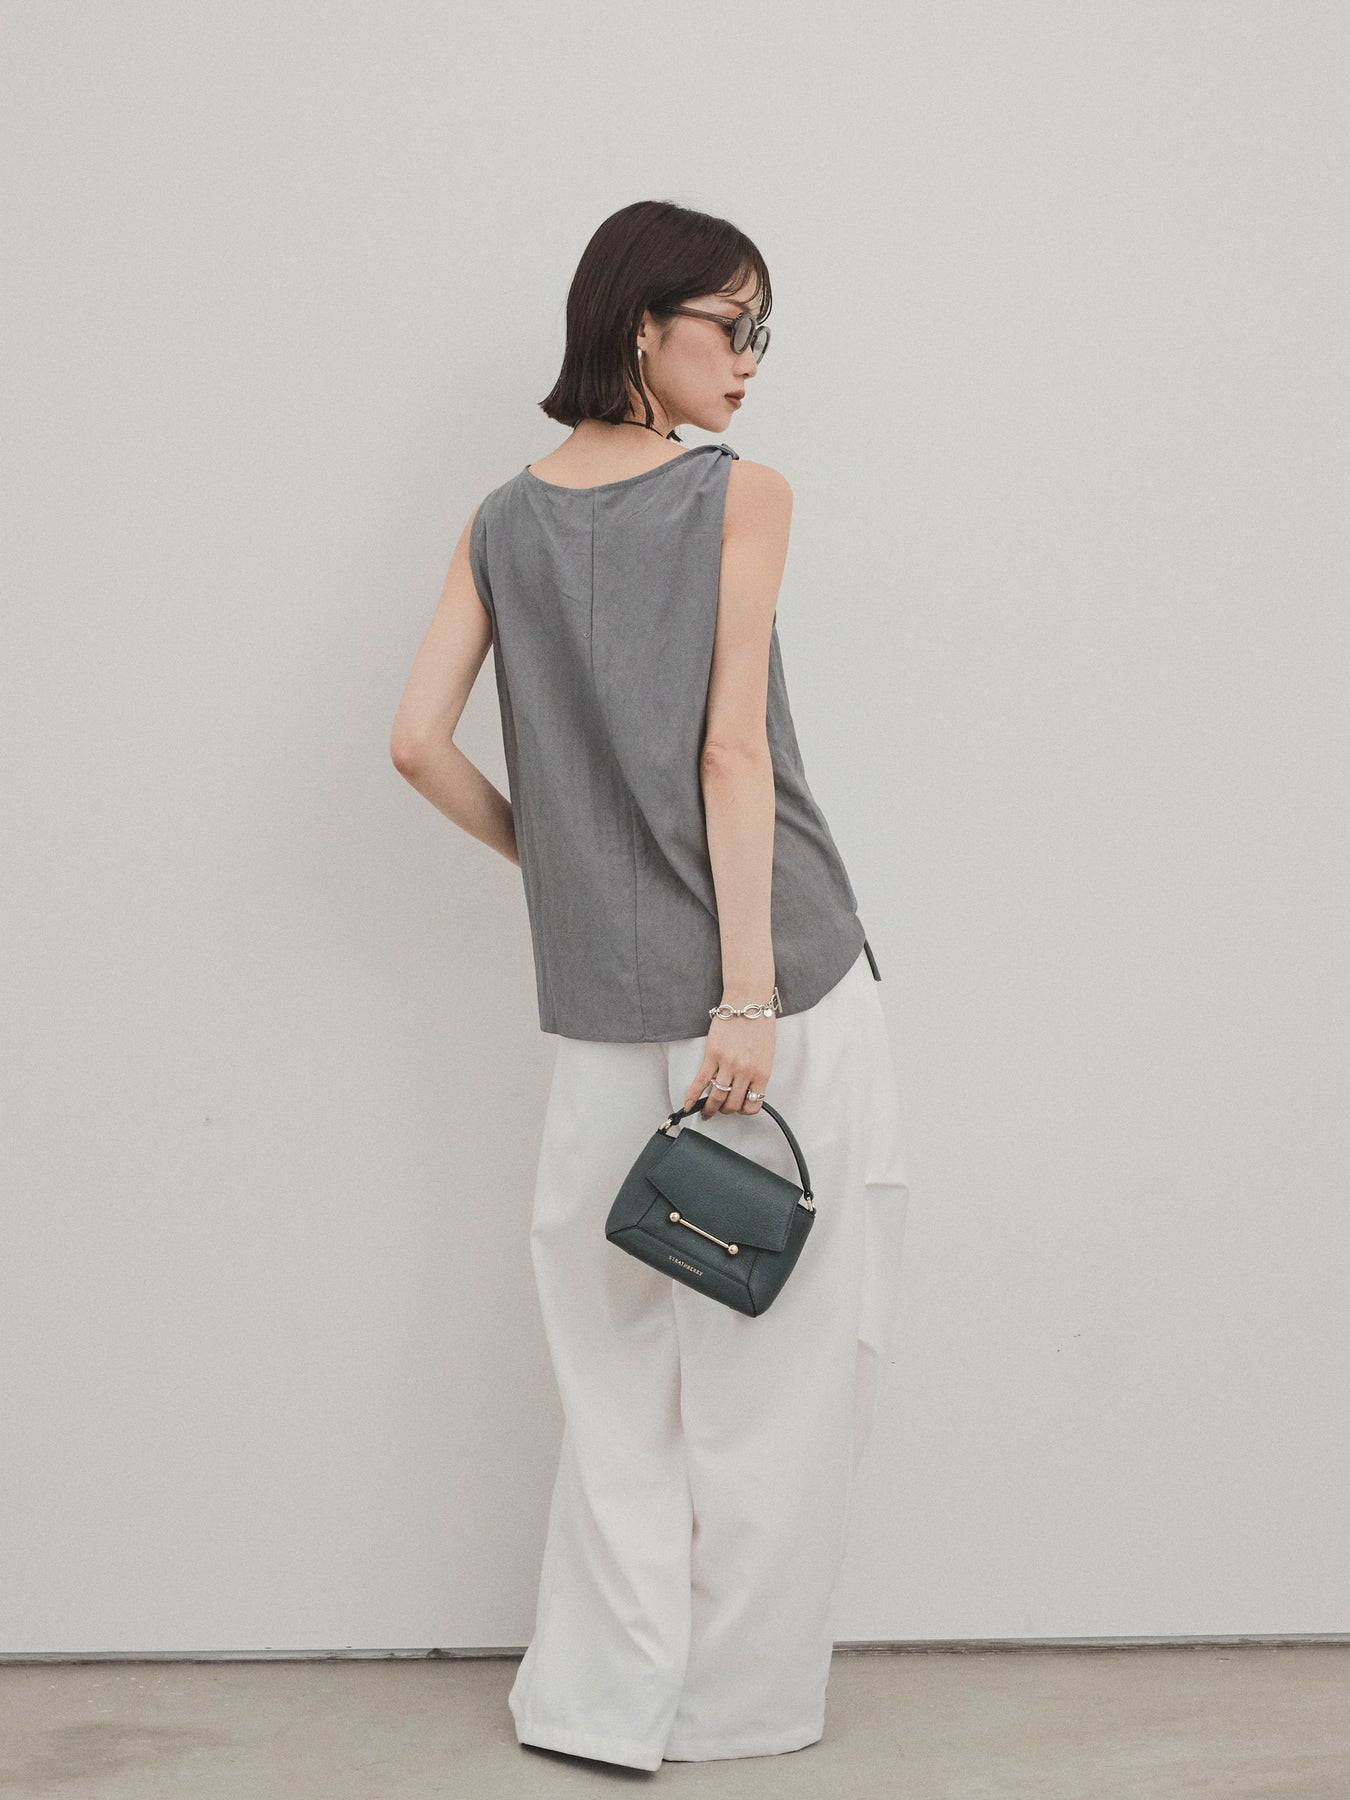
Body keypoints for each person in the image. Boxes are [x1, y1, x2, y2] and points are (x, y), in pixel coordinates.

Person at [390, 199, 910, 1771]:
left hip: (604, 1007)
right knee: (775, 1378)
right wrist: (743, 998)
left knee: (610, 1370)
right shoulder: (736, 493)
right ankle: (737, 1707)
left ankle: (596, 1703)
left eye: (762, 332)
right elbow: (729, 751)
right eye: (730, 327)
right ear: (640, 326)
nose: (751, 361)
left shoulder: (502, 519)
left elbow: (415, 744)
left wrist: (561, 869)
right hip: (779, 987)